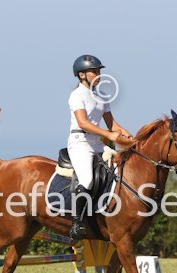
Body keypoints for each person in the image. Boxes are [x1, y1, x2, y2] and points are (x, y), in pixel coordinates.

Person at [68, 54, 134, 241]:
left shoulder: (102, 95)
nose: (99, 75)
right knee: (87, 179)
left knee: (118, 170)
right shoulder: (76, 95)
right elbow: (83, 123)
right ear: (82, 75)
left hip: (97, 144)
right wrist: (108, 135)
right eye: (94, 72)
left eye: (99, 71)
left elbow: (112, 124)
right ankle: (77, 222)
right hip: (80, 142)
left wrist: (131, 138)